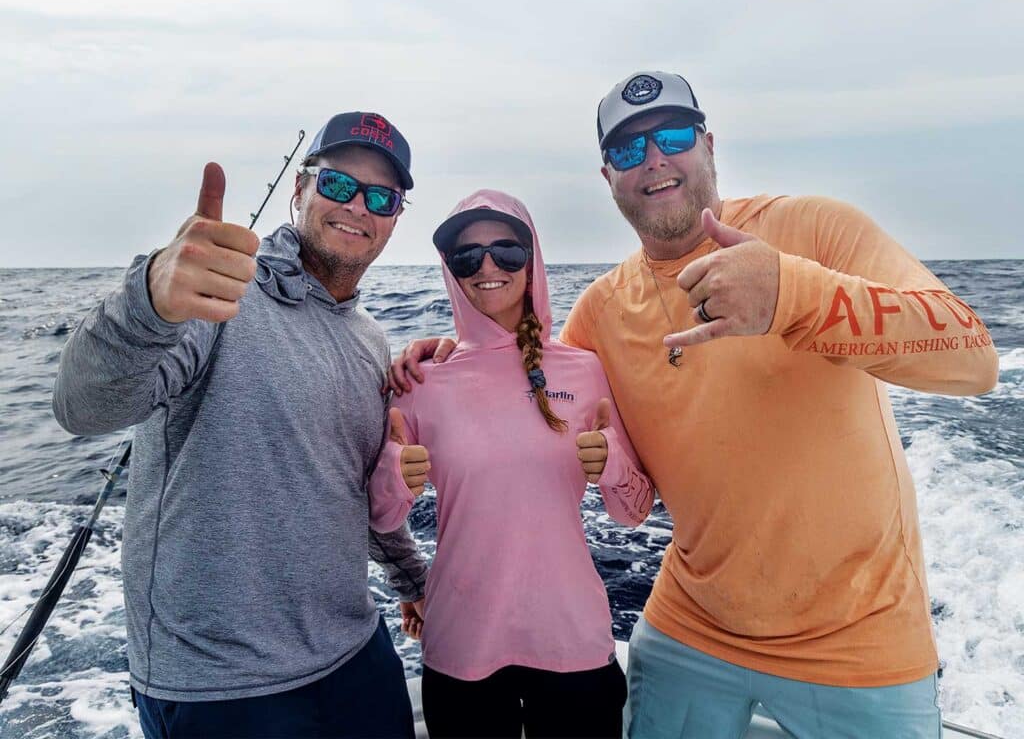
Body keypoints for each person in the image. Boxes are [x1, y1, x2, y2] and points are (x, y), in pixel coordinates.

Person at [389, 73, 1000, 738]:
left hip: (858, 639)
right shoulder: (600, 311)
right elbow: (528, 386)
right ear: (608, 176)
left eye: (673, 135)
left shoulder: (810, 226)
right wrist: (444, 353)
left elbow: (971, 356)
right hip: (693, 628)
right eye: (628, 149)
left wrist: (795, 297)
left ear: (708, 144)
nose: (655, 158)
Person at [52, 112, 429, 739]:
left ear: (394, 219)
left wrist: (412, 579)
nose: (358, 207)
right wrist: (149, 304)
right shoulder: (216, 299)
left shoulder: (368, 339)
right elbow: (82, 407)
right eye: (338, 185)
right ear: (300, 189)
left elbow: (358, 486)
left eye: (382, 197)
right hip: (219, 685)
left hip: (354, 650)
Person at [369, 189, 655, 738]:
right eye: (467, 256)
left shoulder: (584, 370)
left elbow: (632, 514)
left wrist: (613, 464)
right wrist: (392, 476)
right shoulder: (420, 380)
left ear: (534, 259)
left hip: (574, 641)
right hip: (462, 645)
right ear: (450, 270)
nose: (488, 267)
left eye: (507, 250)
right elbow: (382, 518)